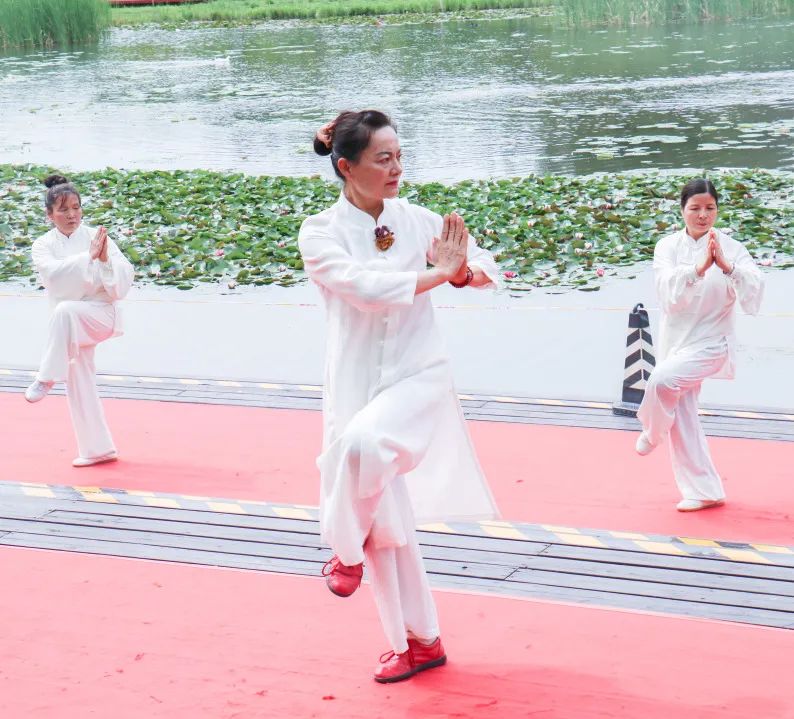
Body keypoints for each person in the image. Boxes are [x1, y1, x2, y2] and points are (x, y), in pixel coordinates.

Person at [299, 110, 500, 683]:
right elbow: (364, 289)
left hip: (418, 372)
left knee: (362, 448)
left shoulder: (418, 220)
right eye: (383, 158)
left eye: (399, 156)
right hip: (354, 381)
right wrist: (440, 274)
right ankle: (418, 642)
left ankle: (342, 550)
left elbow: (483, 264)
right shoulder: (319, 232)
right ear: (346, 167)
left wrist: (462, 274)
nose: (396, 168)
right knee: (385, 522)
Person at [635, 178, 764, 511]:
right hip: (676, 341)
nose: (703, 215)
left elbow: (754, 291)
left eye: (710, 208)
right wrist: (698, 269)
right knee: (683, 415)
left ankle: (652, 430)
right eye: (695, 208)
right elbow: (667, 293)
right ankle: (705, 490)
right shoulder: (666, 247)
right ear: (682, 210)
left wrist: (727, 267)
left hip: (713, 343)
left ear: (717, 210)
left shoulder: (731, 247)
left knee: (662, 381)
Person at [25, 174, 134, 467]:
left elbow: (123, 282)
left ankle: (46, 376)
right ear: (50, 215)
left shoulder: (97, 237)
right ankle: (97, 449)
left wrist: (105, 260)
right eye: (63, 210)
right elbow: (55, 280)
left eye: (76, 207)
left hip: (102, 314)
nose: (72, 215)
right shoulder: (42, 245)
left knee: (65, 311)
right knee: (78, 379)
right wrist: (88, 258)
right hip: (69, 327)